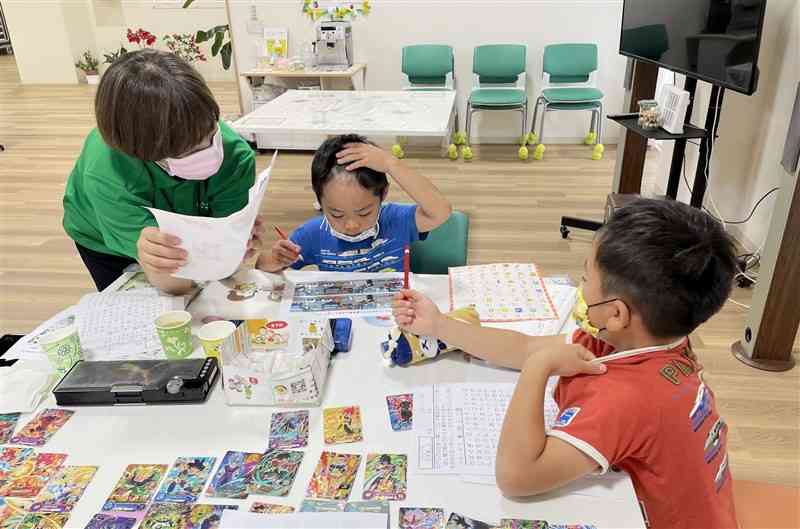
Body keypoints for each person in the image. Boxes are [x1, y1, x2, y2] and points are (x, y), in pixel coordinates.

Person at [392, 199, 738, 529]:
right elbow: (525, 347)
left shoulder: (628, 398)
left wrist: (537, 370)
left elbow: (516, 477)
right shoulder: (645, 338)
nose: (581, 289)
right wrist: (440, 326)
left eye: (586, 278)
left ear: (617, 314)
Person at [63, 49, 262, 294]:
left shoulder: (234, 156)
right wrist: (159, 259)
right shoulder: (107, 173)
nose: (206, 151)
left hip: (189, 219)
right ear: (144, 153)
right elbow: (174, 283)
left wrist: (233, 243)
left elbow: (222, 247)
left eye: (210, 133)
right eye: (184, 151)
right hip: (102, 242)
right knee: (133, 305)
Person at [257, 134, 451, 273]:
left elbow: (440, 212)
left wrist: (391, 164)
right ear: (319, 202)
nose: (351, 225)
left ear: (383, 194)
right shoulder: (312, 233)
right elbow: (261, 266)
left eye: (364, 212)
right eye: (337, 214)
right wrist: (276, 259)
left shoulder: (395, 220)